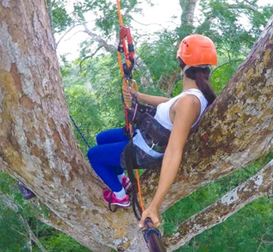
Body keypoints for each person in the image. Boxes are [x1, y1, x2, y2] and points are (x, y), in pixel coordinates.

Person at [87, 34, 217, 228]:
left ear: (184, 66)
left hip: (146, 149)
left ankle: (120, 196)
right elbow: (169, 104)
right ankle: (123, 180)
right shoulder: (193, 94)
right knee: (102, 138)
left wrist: (155, 205)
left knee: (94, 155)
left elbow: (174, 152)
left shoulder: (190, 102)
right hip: (145, 136)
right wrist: (137, 95)